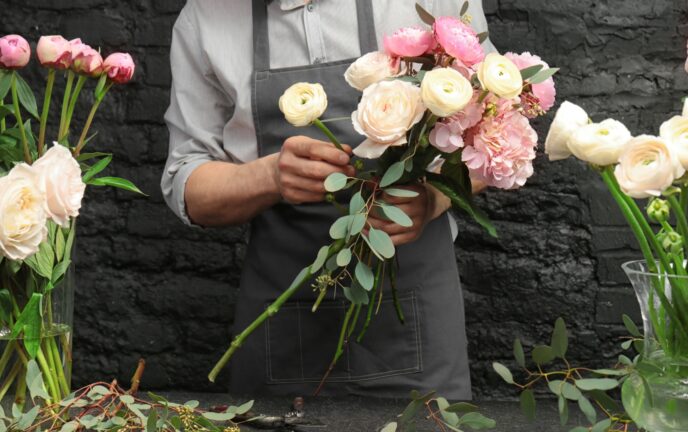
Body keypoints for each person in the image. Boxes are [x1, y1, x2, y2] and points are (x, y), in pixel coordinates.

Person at [162, 0, 493, 399]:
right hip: (281, 326)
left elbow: (491, 135)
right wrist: (268, 176)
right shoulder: (205, 17)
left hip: (415, 319)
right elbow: (187, 185)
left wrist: (430, 200)